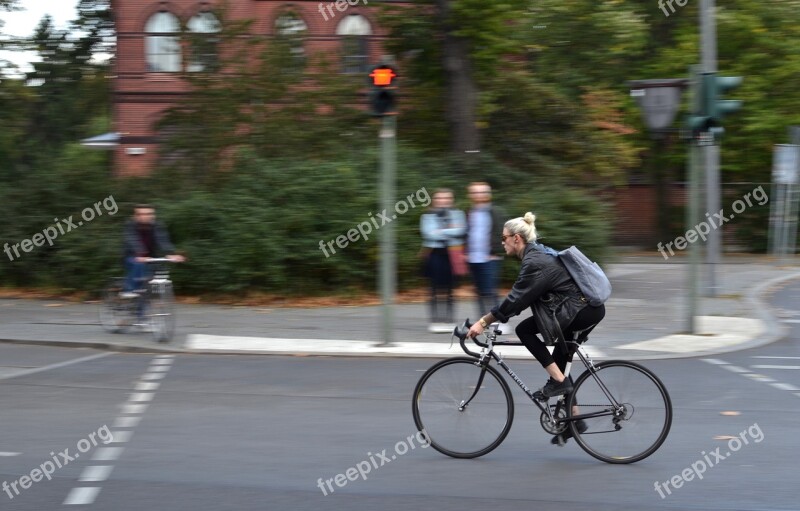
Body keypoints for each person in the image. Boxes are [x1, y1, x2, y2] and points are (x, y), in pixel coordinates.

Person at [467, 212, 605, 444]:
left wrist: (483, 322)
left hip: (580, 310)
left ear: (517, 238)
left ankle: (559, 383)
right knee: (560, 360)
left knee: (525, 331)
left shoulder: (534, 262)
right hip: (582, 309)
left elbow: (516, 300)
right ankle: (575, 421)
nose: (502, 242)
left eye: (504, 238)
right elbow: (521, 298)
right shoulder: (536, 255)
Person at [420, 189, 466, 333]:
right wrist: (450, 229)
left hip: (452, 254)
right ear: (435, 200)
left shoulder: (458, 214)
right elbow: (428, 233)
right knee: (433, 289)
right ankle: (435, 320)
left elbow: (462, 230)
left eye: (446, 198)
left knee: (450, 289)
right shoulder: (427, 216)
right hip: (434, 254)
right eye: (439, 198)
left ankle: (449, 320)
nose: (443, 200)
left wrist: (440, 231)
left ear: (451, 200)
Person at [122, 204, 185, 299]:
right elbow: (131, 240)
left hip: (150, 258)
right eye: (140, 214)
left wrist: (171, 254)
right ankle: (128, 290)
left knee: (149, 283)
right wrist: (140, 253)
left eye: (148, 214)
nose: (144, 216)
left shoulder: (157, 226)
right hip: (132, 257)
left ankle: (141, 310)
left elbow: (163, 240)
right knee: (138, 264)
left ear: (153, 215)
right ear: (135, 216)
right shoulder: (130, 225)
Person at [465, 182, 505, 322]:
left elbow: (502, 232)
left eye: (482, 192)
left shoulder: (495, 211)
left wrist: (496, 251)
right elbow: (466, 233)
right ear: (470, 195)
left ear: (488, 194)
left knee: (491, 291)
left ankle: (499, 321)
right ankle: (483, 321)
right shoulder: (469, 212)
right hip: (473, 258)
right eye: (475, 192)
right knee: (479, 292)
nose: (479, 195)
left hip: (490, 258)